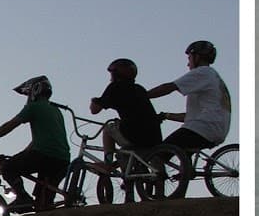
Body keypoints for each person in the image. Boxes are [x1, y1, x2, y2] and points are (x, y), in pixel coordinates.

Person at [0, 75, 70, 212]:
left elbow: (10, 125)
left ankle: (23, 197)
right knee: (43, 204)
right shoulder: (56, 111)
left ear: (34, 91)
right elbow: (43, 139)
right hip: (62, 160)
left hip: (44, 156)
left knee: (7, 168)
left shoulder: (33, 107)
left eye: (27, 93)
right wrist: (23, 153)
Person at [89, 58, 162, 202]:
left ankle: (108, 163)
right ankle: (136, 189)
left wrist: (94, 100)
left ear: (116, 75)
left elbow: (95, 110)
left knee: (108, 128)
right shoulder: (139, 89)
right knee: (124, 154)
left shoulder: (115, 88)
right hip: (154, 136)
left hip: (134, 134)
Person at [146, 41, 232, 152]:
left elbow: (169, 87)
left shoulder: (203, 72)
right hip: (216, 131)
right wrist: (167, 115)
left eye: (189, 58)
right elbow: (191, 117)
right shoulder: (214, 78)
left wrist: (143, 96)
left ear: (197, 57)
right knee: (183, 160)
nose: (188, 64)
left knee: (158, 153)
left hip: (202, 129)